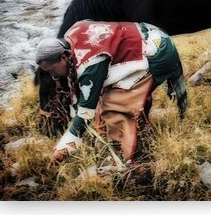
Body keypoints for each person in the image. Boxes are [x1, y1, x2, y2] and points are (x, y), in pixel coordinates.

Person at [35, 20, 188, 163]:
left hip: (157, 52)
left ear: (63, 57)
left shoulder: (90, 63)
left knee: (114, 106)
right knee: (106, 97)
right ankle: (137, 128)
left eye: (52, 70)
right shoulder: (73, 31)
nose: (53, 76)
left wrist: (64, 148)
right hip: (152, 35)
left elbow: (85, 112)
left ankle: (125, 159)